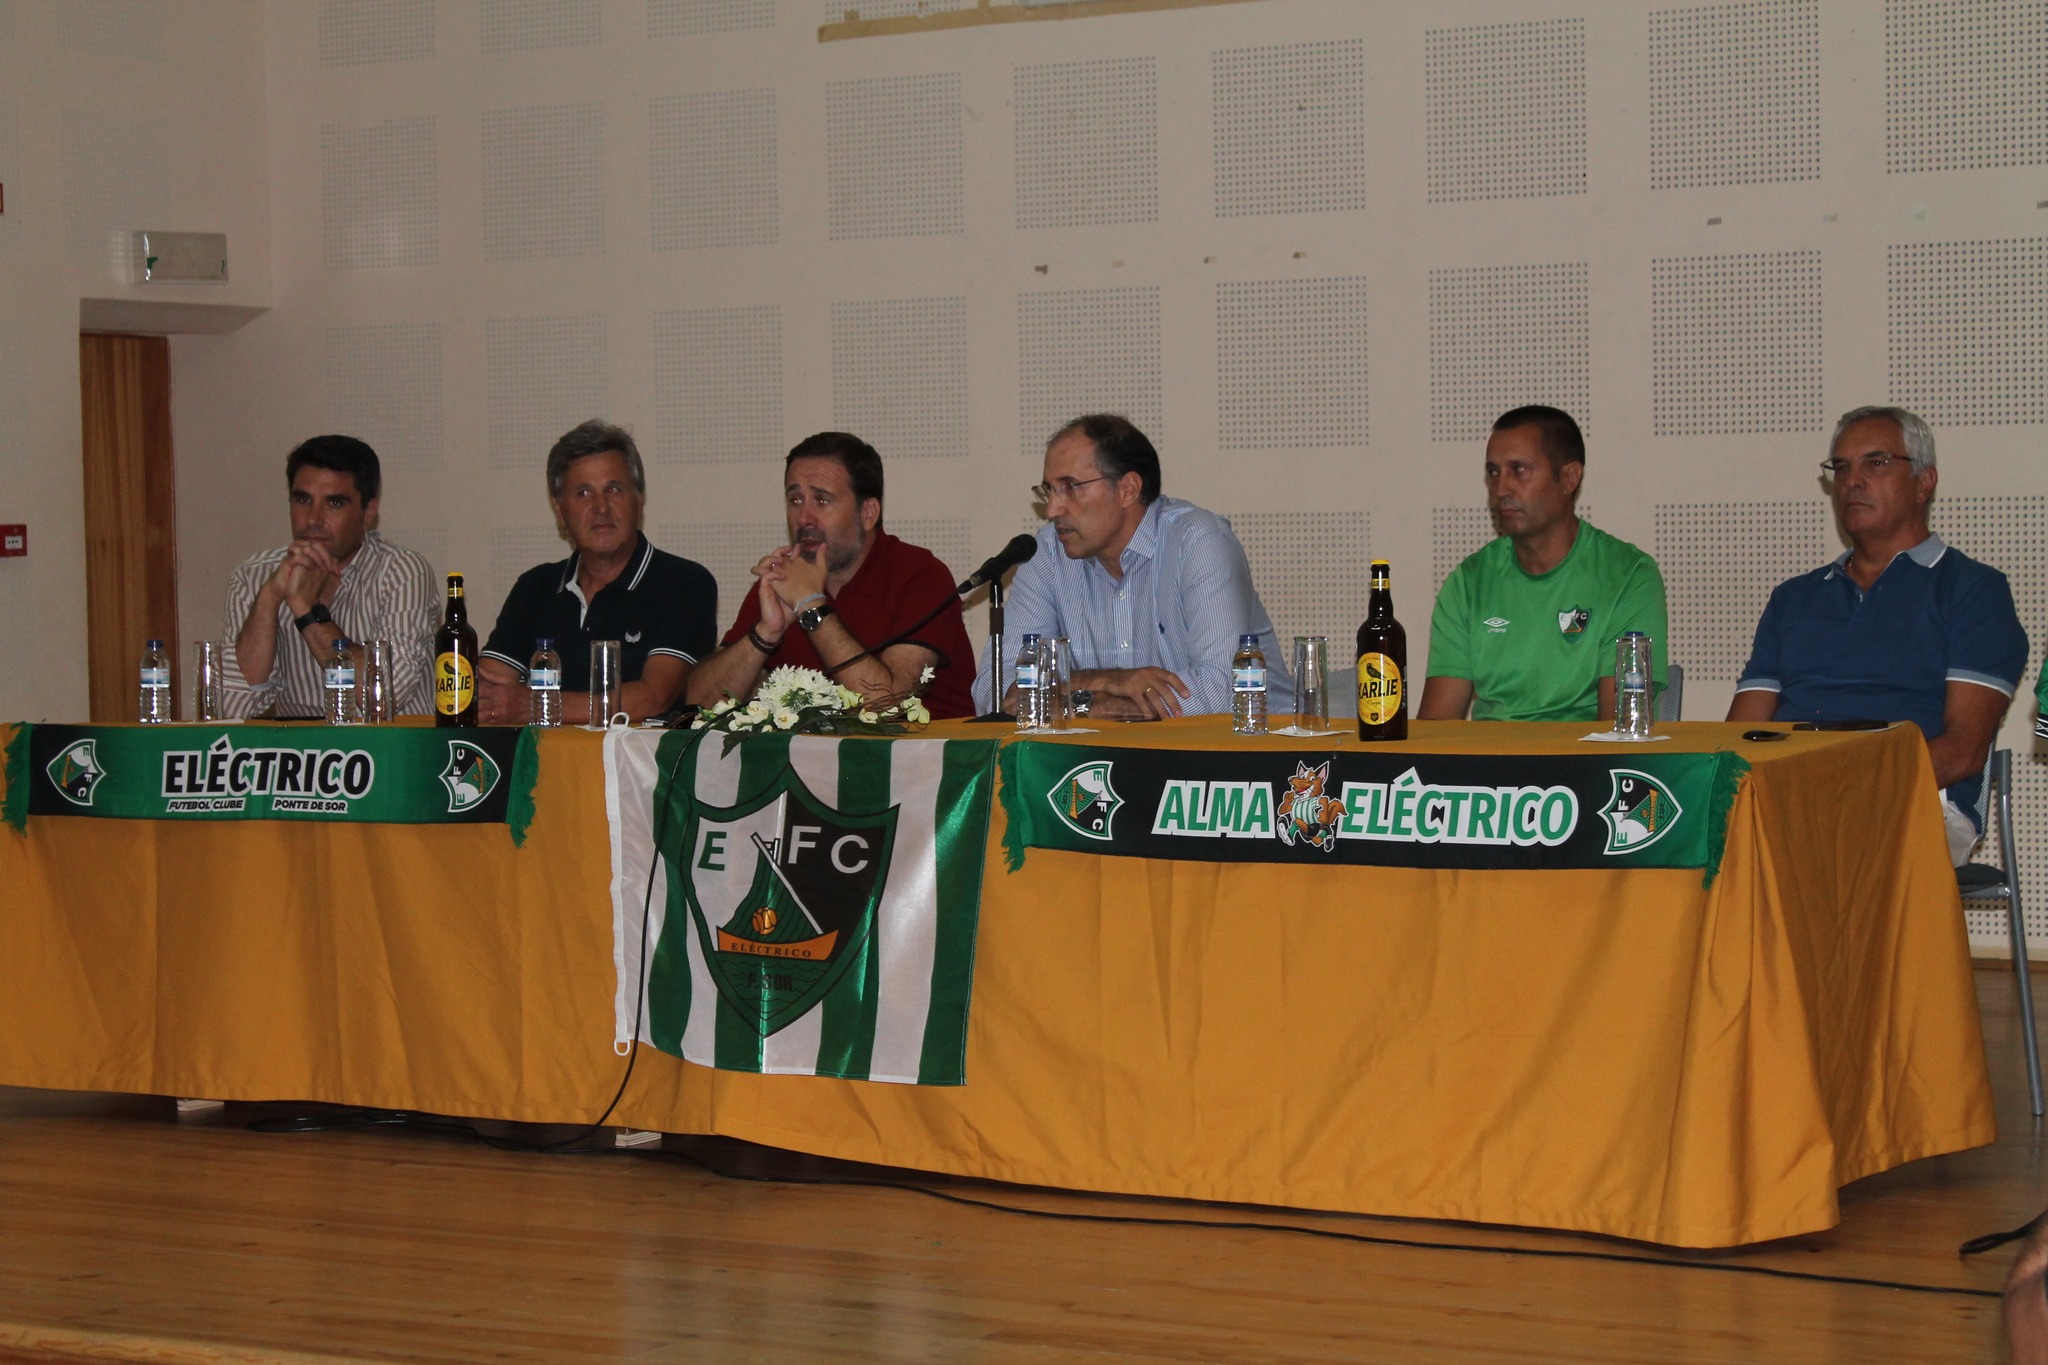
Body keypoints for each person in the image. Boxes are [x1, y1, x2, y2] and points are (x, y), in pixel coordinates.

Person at [1728, 406, 2028, 863]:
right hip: (1792, 801)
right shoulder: (1793, 599)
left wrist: (1839, 788)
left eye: (1876, 462)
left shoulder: (1973, 590)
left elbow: (1964, 751)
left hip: (1915, 800)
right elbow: (1741, 736)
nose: (1853, 480)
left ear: (1924, 483)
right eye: (1842, 467)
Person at [974, 413, 1292, 721]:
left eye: (1070, 487)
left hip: (1251, 758)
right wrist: (1106, 681)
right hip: (1117, 760)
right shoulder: (1047, 552)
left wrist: (1078, 704)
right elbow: (995, 693)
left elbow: (1225, 692)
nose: (1053, 509)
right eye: (1049, 490)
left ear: (1127, 489)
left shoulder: (1198, 541)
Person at [685, 432, 976, 718]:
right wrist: (766, 632)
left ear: (868, 513)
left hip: (925, 761)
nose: (803, 518)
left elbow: (886, 705)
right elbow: (699, 707)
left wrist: (810, 605)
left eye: (822, 501)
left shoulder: (920, 576)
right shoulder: (784, 580)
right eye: (795, 500)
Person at [1419, 405, 1669, 723]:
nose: (1500, 489)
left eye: (1518, 470)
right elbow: (1437, 729)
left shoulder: (1629, 577)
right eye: (1493, 472)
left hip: (1582, 767)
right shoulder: (1468, 582)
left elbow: (1618, 736)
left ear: (1568, 478)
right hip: (1489, 767)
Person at [478, 420, 717, 725]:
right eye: (583, 493)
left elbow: (653, 698)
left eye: (613, 489)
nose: (601, 507)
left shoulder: (684, 583)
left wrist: (540, 705)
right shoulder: (535, 587)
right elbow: (489, 691)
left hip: (642, 769)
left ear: (639, 500)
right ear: (559, 510)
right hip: (544, 767)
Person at [221, 435, 437, 718]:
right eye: (302, 500)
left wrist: (307, 609)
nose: (313, 519)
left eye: (334, 503)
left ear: (368, 512)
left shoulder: (401, 572)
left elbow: (380, 699)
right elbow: (232, 709)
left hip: (390, 752)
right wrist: (270, 597)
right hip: (303, 757)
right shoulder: (254, 575)